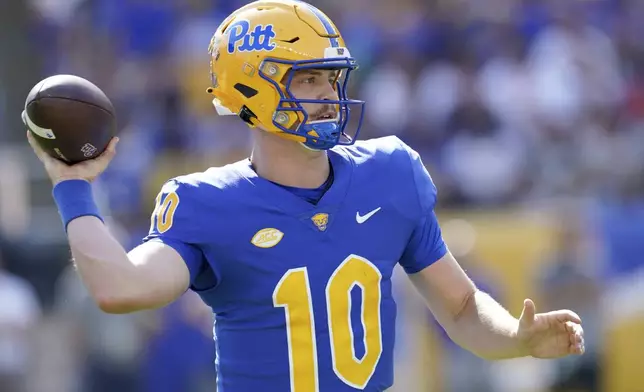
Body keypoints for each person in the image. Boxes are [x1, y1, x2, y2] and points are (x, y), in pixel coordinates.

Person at [26, 1, 585, 391]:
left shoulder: (390, 172)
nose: (327, 96)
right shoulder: (205, 201)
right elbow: (119, 288)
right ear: (250, 88)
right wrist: (73, 187)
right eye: (307, 80)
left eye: (331, 79)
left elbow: (461, 308)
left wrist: (515, 337)